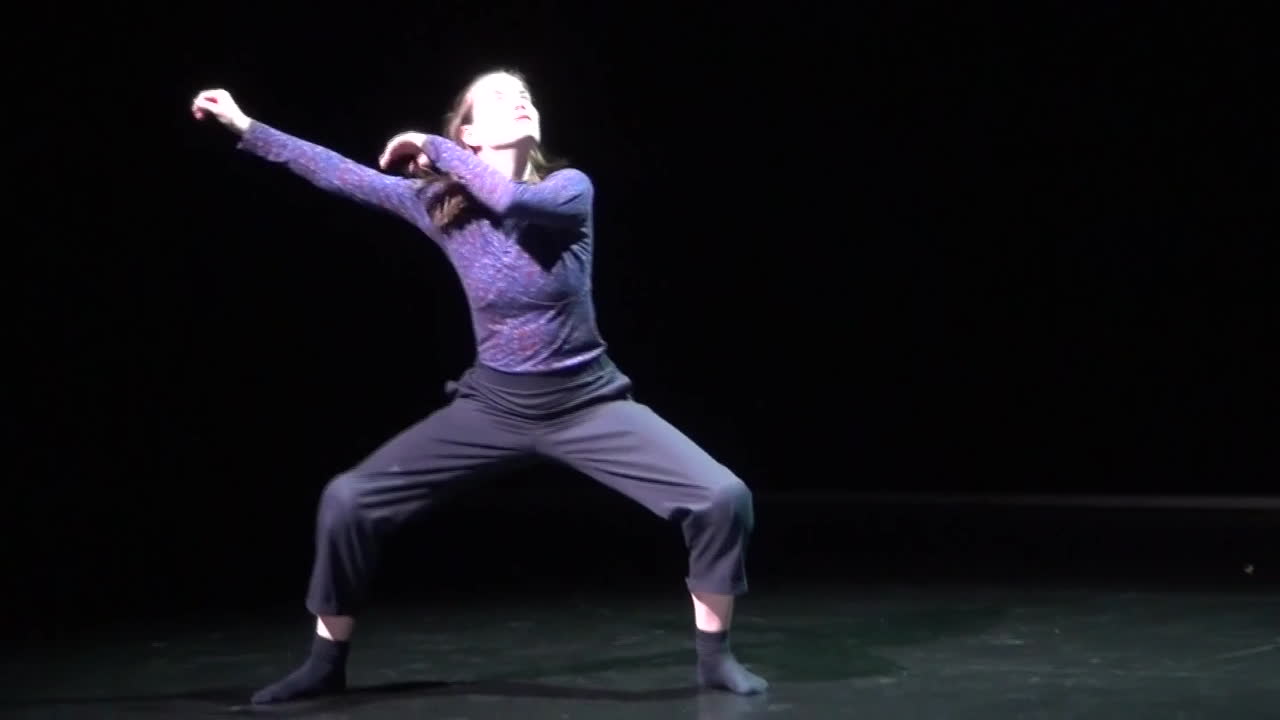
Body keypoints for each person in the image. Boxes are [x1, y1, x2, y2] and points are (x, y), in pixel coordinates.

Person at [190, 69, 768, 705]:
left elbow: (514, 203)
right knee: (347, 501)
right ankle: (325, 664)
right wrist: (245, 127)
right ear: (469, 133)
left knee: (722, 498)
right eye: (497, 97)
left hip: (588, 404)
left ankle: (715, 659)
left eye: (525, 96)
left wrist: (433, 148)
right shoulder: (438, 207)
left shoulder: (569, 190)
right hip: (493, 406)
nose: (519, 100)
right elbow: (337, 173)